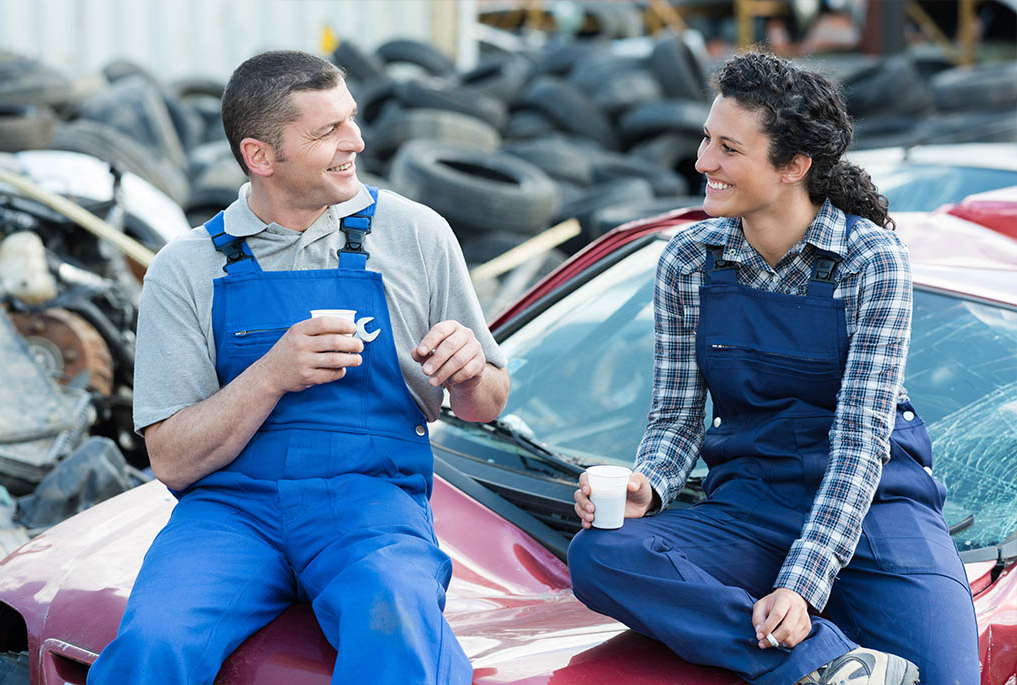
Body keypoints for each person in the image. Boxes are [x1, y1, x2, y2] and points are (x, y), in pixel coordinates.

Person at [87, 50, 509, 685]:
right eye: (326, 131)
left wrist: (472, 375)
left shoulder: (417, 234)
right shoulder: (185, 267)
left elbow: (488, 403)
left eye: (351, 119)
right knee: (155, 641)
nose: (355, 141)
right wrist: (271, 374)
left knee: (396, 619)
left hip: (372, 504)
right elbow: (171, 460)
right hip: (231, 513)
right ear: (260, 156)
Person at [567, 51, 979, 685]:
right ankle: (829, 666)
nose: (702, 162)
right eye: (707, 138)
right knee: (601, 555)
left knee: (948, 677)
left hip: (876, 510)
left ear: (793, 166)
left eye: (728, 148)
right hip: (750, 505)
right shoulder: (689, 260)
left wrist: (801, 585)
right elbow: (677, 415)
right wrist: (650, 484)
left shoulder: (870, 259)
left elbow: (860, 441)